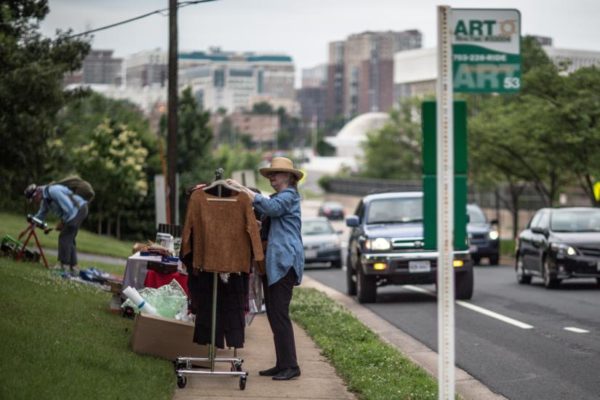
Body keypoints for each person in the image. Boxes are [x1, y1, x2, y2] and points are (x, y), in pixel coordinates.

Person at [227, 157, 304, 381]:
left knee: (279, 315)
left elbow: (272, 209)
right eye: (270, 174)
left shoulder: (288, 196)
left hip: (284, 263)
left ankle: (291, 366)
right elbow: (270, 219)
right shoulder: (280, 198)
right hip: (276, 264)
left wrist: (243, 190)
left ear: (290, 177)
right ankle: (283, 364)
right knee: (274, 315)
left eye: (277, 173)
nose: (272, 177)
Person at [24, 183, 89, 274]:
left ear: (37, 193)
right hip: (75, 212)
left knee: (64, 237)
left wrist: (62, 222)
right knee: (69, 238)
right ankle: (73, 266)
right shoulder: (45, 199)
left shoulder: (53, 191)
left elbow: (69, 208)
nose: (34, 201)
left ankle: (63, 266)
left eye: (33, 199)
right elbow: (41, 214)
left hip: (78, 210)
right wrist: (33, 221)